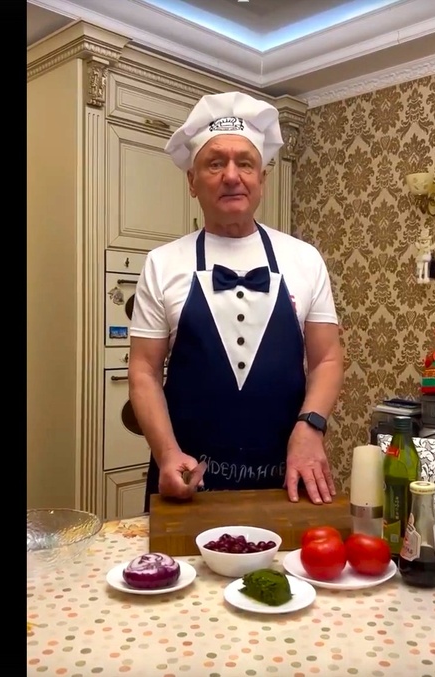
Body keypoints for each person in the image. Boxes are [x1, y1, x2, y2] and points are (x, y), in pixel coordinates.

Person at [127, 91, 344, 510]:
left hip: (287, 476)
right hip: (186, 476)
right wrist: (167, 453)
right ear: (192, 181)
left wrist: (311, 426)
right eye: (215, 163)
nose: (231, 175)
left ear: (262, 178)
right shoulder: (162, 263)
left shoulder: (304, 259)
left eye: (244, 163)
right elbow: (144, 371)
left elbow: (328, 359)